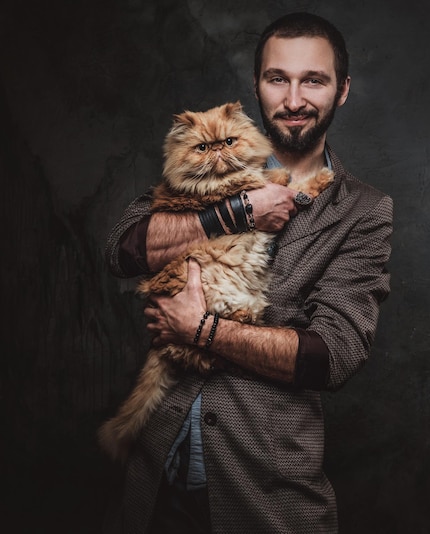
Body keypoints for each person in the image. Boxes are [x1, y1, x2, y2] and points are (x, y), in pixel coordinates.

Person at [102, 11, 393, 534]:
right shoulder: (211, 158)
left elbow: (331, 357)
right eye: (278, 78)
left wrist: (203, 331)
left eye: (314, 80)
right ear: (257, 84)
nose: (295, 98)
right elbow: (124, 250)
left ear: (343, 90)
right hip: (154, 486)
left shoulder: (364, 212)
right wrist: (236, 212)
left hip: (265, 500)